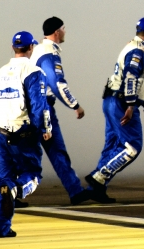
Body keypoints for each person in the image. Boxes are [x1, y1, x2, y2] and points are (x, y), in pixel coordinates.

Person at [0, 31, 52, 238]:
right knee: (33, 174)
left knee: (3, 180)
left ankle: (2, 228)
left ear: (13, 48)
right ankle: (18, 190)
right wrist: (45, 130)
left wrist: (3, 120)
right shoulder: (34, 71)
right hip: (23, 134)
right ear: (31, 48)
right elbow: (39, 108)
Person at [85, 17, 144, 202]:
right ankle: (98, 178)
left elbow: (138, 82)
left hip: (111, 100)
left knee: (112, 145)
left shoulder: (133, 47)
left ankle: (96, 189)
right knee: (132, 147)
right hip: (121, 103)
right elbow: (130, 77)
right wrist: (130, 105)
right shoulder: (138, 51)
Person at [31, 16, 92, 204]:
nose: (65, 31)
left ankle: (12, 195)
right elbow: (57, 84)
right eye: (64, 28)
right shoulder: (49, 53)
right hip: (42, 108)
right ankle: (75, 192)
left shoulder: (38, 50)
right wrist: (75, 105)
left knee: (26, 154)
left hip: (30, 107)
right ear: (57, 32)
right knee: (56, 150)